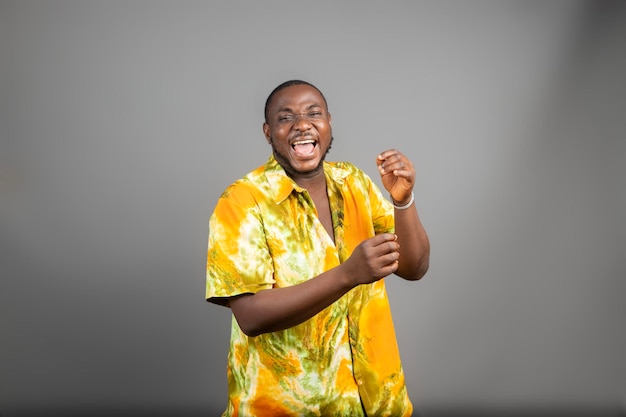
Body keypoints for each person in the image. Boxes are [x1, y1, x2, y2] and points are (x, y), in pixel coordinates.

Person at [206, 79, 430, 417]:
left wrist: (403, 201)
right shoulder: (242, 201)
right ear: (268, 133)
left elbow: (414, 268)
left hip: (379, 405)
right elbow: (250, 316)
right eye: (286, 118)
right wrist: (348, 274)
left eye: (314, 113)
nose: (302, 124)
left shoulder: (353, 183)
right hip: (287, 409)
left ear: (328, 123)